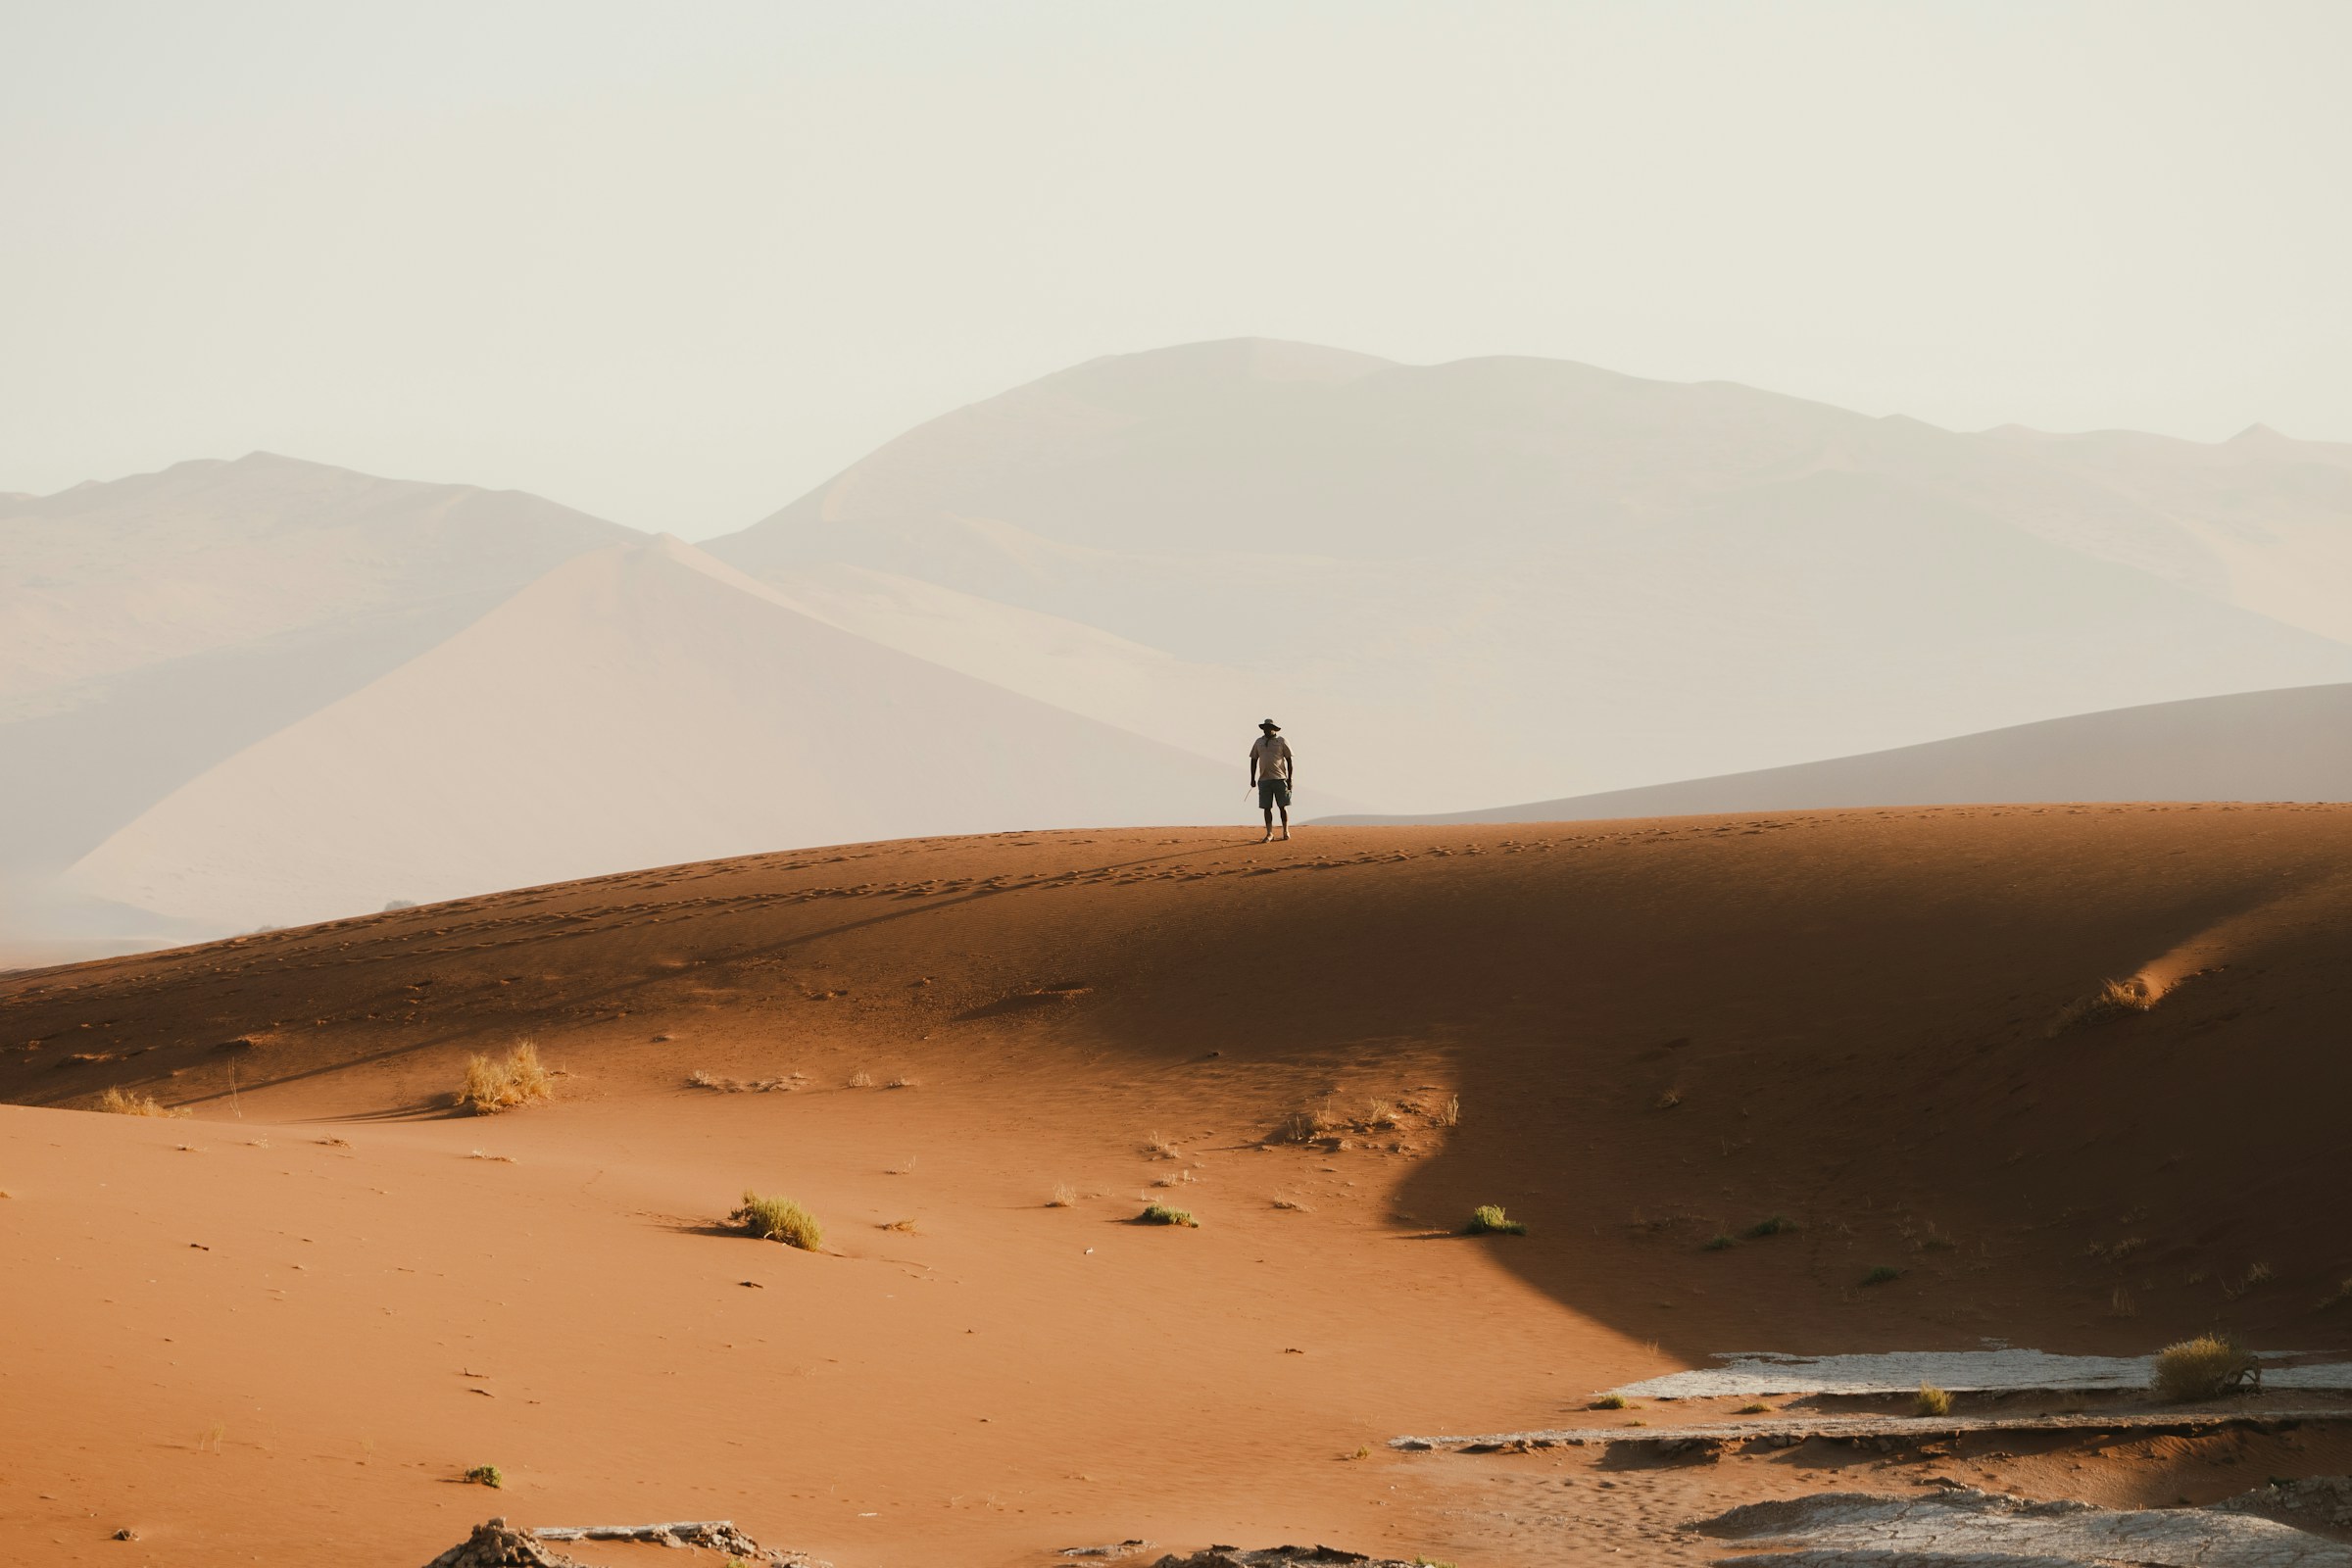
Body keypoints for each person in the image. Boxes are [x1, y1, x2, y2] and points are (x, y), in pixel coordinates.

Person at [1248, 718, 1295, 842]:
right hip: (1264, 779)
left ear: (1274, 728)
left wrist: (1290, 779)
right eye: (1265, 727)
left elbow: (1289, 760)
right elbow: (1253, 759)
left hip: (1279, 778)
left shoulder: (1281, 741)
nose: (1267, 729)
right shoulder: (1259, 742)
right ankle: (1269, 833)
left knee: (1282, 806)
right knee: (1266, 807)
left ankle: (1285, 831)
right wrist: (1252, 778)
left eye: (1269, 727)